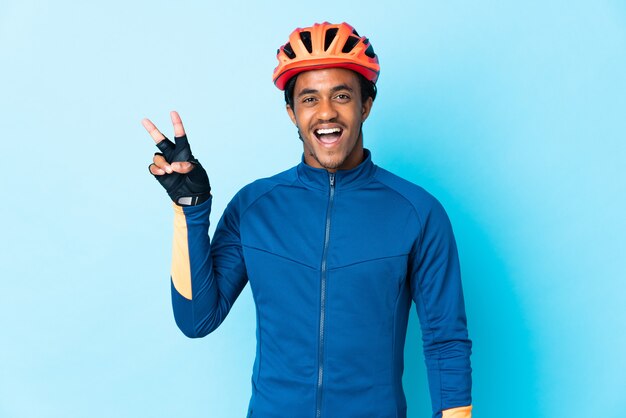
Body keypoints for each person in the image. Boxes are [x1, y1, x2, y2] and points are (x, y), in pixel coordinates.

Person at [143, 22, 472, 418]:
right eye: (310, 99)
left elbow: (445, 341)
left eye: (342, 96)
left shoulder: (418, 212)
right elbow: (197, 319)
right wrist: (191, 209)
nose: (326, 112)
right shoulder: (254, 207)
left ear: (366, 105)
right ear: (292, 112)